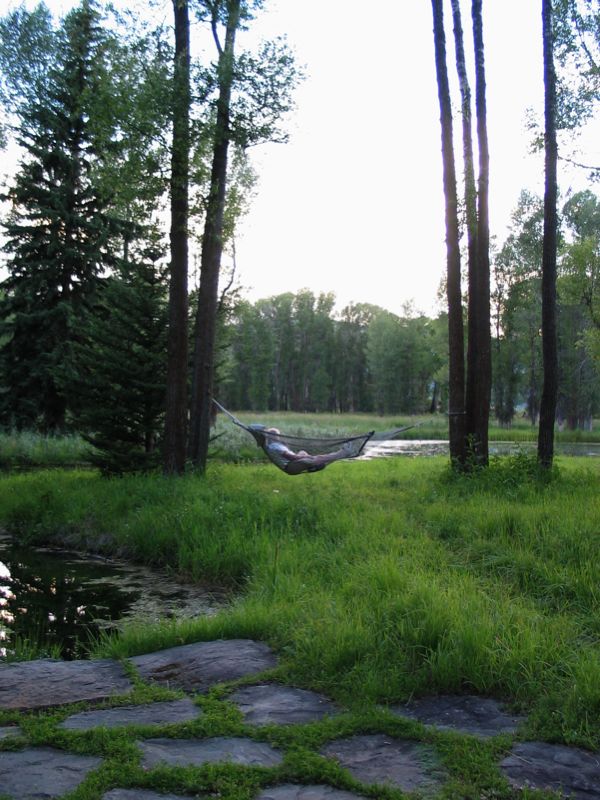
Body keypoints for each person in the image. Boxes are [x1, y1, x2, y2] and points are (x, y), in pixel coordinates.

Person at [262, 427, 354, 475]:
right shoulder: (275, 446)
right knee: (317, 458)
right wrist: (308, 457)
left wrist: (303, 455)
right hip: (291, 466)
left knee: (303, 452)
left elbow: (292, 456)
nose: (278, 436)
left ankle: (313, 465)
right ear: (273, 436)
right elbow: (293, 457)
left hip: (293, 464)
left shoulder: (272, 445)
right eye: (277, 435)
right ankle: (343, 453)